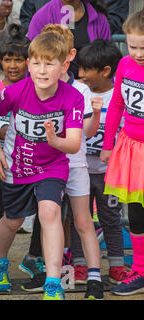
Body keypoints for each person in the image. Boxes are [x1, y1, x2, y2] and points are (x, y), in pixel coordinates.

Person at [0, 32, 85, 300]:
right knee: (13, 219)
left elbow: (74, 144)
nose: (43, 70)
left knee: (50, 213)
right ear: (29, 64)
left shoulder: (73, 97)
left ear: (64, 66)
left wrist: (55, 140)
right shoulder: (16, 91)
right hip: (20, 167)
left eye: (50, 63)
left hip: (53, 167)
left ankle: (53, 282)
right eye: (38, 63)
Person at [20, 24, 104, 299]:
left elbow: (88, 134)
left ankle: (94, 277)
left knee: (82, 220)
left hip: (76, 165)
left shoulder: (80, 90)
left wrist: (95, 115)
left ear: (68, 56)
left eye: (59, 55)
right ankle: (52, 274)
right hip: (47, 166)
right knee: (50, 218)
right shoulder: (35, 85)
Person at [75, 39, 128, 285]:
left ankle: (117, 265)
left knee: (111, 219)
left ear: (106, 70)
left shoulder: (119, 95)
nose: (81, 74)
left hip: (110, 173)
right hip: (81, 172)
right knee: (80, 218)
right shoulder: (77, 92)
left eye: (86, 69)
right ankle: (79, 265)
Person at [100, 9, 144, 296]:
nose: (138, 53)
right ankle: (140, 270)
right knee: (137, 213)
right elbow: (116, 105)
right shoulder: (126, 65)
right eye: (133, 46)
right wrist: (106, 145)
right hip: (130, 149)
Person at [0, 23, 30, 289]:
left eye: (19, 59)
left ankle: (36, 259)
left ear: (28, 61)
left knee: (39, 211)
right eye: (7, 59)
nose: (13, 65)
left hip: (30, 163)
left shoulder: (36, 87)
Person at [27, 0, 110, 79]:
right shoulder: (42, 17)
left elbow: (105, 59)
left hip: (92, 87)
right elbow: (34, 59)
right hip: (54, 87)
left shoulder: (99, 18)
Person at [20, 0, 128, 35]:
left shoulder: (99, 18)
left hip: (91, 76)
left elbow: (114, 22)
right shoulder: (41, 15)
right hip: (52, 74)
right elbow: (26, 17)